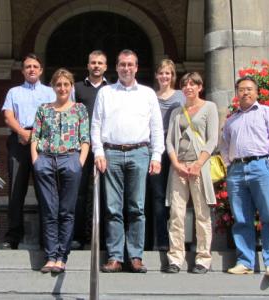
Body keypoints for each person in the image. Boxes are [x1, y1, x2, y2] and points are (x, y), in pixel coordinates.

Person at [91, 49, 164, 273]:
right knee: (112, 208)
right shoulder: (105, 92)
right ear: (117, 67)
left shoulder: (148, 93)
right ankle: (114, 257)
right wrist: (98, 152)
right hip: (111, 153)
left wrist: (157, 155)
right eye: (122, 64)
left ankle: (135, 256)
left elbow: (156, 128)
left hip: (139, 153)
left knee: (137, 208)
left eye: (130, 64)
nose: (126, 68)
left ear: (136, 67)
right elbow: (96, 124)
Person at [221, 75, 269, 277]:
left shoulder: (268, 113)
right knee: (241, 219)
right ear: (237, 94)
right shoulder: (231, 120)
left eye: (249, 89)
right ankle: (245, 261)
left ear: (257, 92)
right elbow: (224, 146)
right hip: (237, 170)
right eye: (241, 89)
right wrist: (229, 165)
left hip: (262, 166)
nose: (245, 92)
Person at [31, 68, 90, 274]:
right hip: (46, 159)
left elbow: (85, 139)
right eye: (58, 84)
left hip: (70, 159)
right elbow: (35, 137)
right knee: (49, 210)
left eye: (66, 84)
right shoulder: (43, 109)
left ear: (71, 87)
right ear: (53, 87)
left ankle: (62, 257)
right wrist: (36, 161)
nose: (62, 88)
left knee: (66, 211)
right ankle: (50, 256)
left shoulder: (80, 109)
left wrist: (79, 162)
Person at [163, 72, 218, 274]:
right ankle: (175, 257)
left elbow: (212, 139)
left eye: (193, 84)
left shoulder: (209, 108)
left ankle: (203, 258)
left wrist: (198, 164)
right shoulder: (177, 111)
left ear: (200, 87)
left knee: (202, 213)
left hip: (199, 167)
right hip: (179, 167)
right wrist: (176, 163)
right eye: (185, 84)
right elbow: (169, 140)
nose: (188, 87)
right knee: (176, 214)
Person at [1, 53, 55, 250]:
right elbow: (8, 116)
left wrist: (37, 136)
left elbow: (55, 117)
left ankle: (46, 238)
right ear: (23, 71)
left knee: (46, 191)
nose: (31, 69)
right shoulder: (14, 92)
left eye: (35, 66)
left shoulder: (50, 93)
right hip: (19, 141)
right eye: (28, 67)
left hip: (44, 145)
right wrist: (22, 132)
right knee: (16, 190)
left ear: (41, 70)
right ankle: (13, 236)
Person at [72, 50, 109, 250]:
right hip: (81, 147)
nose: (96, 66)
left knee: (105, 192)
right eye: (93, 62)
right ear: (88, 65)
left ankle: (102, 238)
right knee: (79, 192)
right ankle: (78, 236)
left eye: (100, 63)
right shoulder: (77, 88)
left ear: (105, 67)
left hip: (105, 147)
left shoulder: (112, 90)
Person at [149, 59, 185, 251]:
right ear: (156, 75)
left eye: (168, 73)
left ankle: (178, 241)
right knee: (158, 195)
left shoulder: (181, 96)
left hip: (177, 149)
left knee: (177, 194)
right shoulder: (149, 96)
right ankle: (161, 240)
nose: (164, 76)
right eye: (161, 73)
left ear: (173, 76)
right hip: (155, 148)